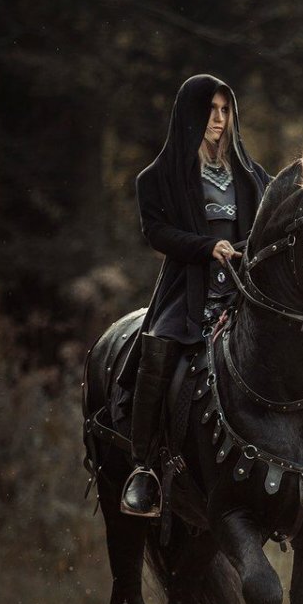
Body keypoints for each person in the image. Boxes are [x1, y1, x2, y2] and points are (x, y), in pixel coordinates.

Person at [120, 74, 272, 517]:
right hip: (186, 292)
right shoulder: (156, 178)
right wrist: (208, 247)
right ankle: (143, 469)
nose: (219, 119)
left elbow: (263, 231)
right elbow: (157, 232)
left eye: (226, 110)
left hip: (244, 293)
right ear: (191, 113)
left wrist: (243, 251)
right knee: (158, 349)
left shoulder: (252, 175)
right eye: (211, 110)